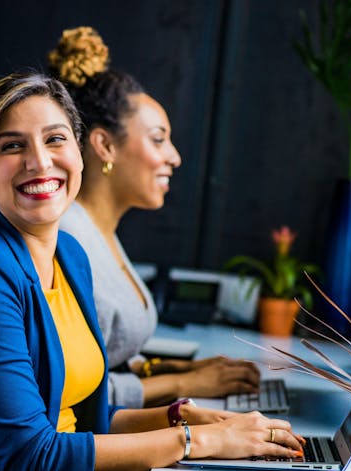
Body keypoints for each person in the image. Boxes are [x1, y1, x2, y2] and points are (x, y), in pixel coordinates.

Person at [0, 71, 303, 471]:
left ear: (80, 154)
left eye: (55, 139)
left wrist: (184, 419)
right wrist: (195, 441)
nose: (40, 161)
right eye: (12, 146)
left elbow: (86, 423)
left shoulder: (70, 255)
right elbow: (31, 457)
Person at [49, 26, 261, 408]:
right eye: (158, 139)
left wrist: (173, 370)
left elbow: (108, 358)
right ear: (105, 145)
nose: (174, 157)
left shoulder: (100, 232)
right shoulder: (68, 239)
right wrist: (185, 384)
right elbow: (72, 394)